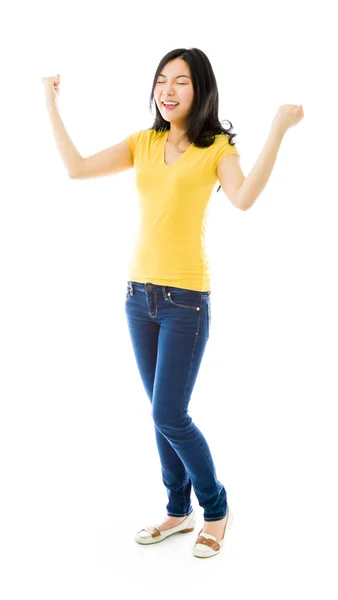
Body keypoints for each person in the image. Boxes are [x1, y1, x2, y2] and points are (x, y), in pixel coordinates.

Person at [42, 47, 304, 558]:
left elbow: (245, 197)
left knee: (169, 412)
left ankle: (216, 509)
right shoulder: (143, 142)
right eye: (162, 80)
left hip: (186, 300)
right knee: (160, 414)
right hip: (137, 297)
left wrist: (277, 127)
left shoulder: (216, 148)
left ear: (199, 88)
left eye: (180, 82)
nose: (167, 90)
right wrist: (50, 103)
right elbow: (75, 169)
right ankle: (177, 510)